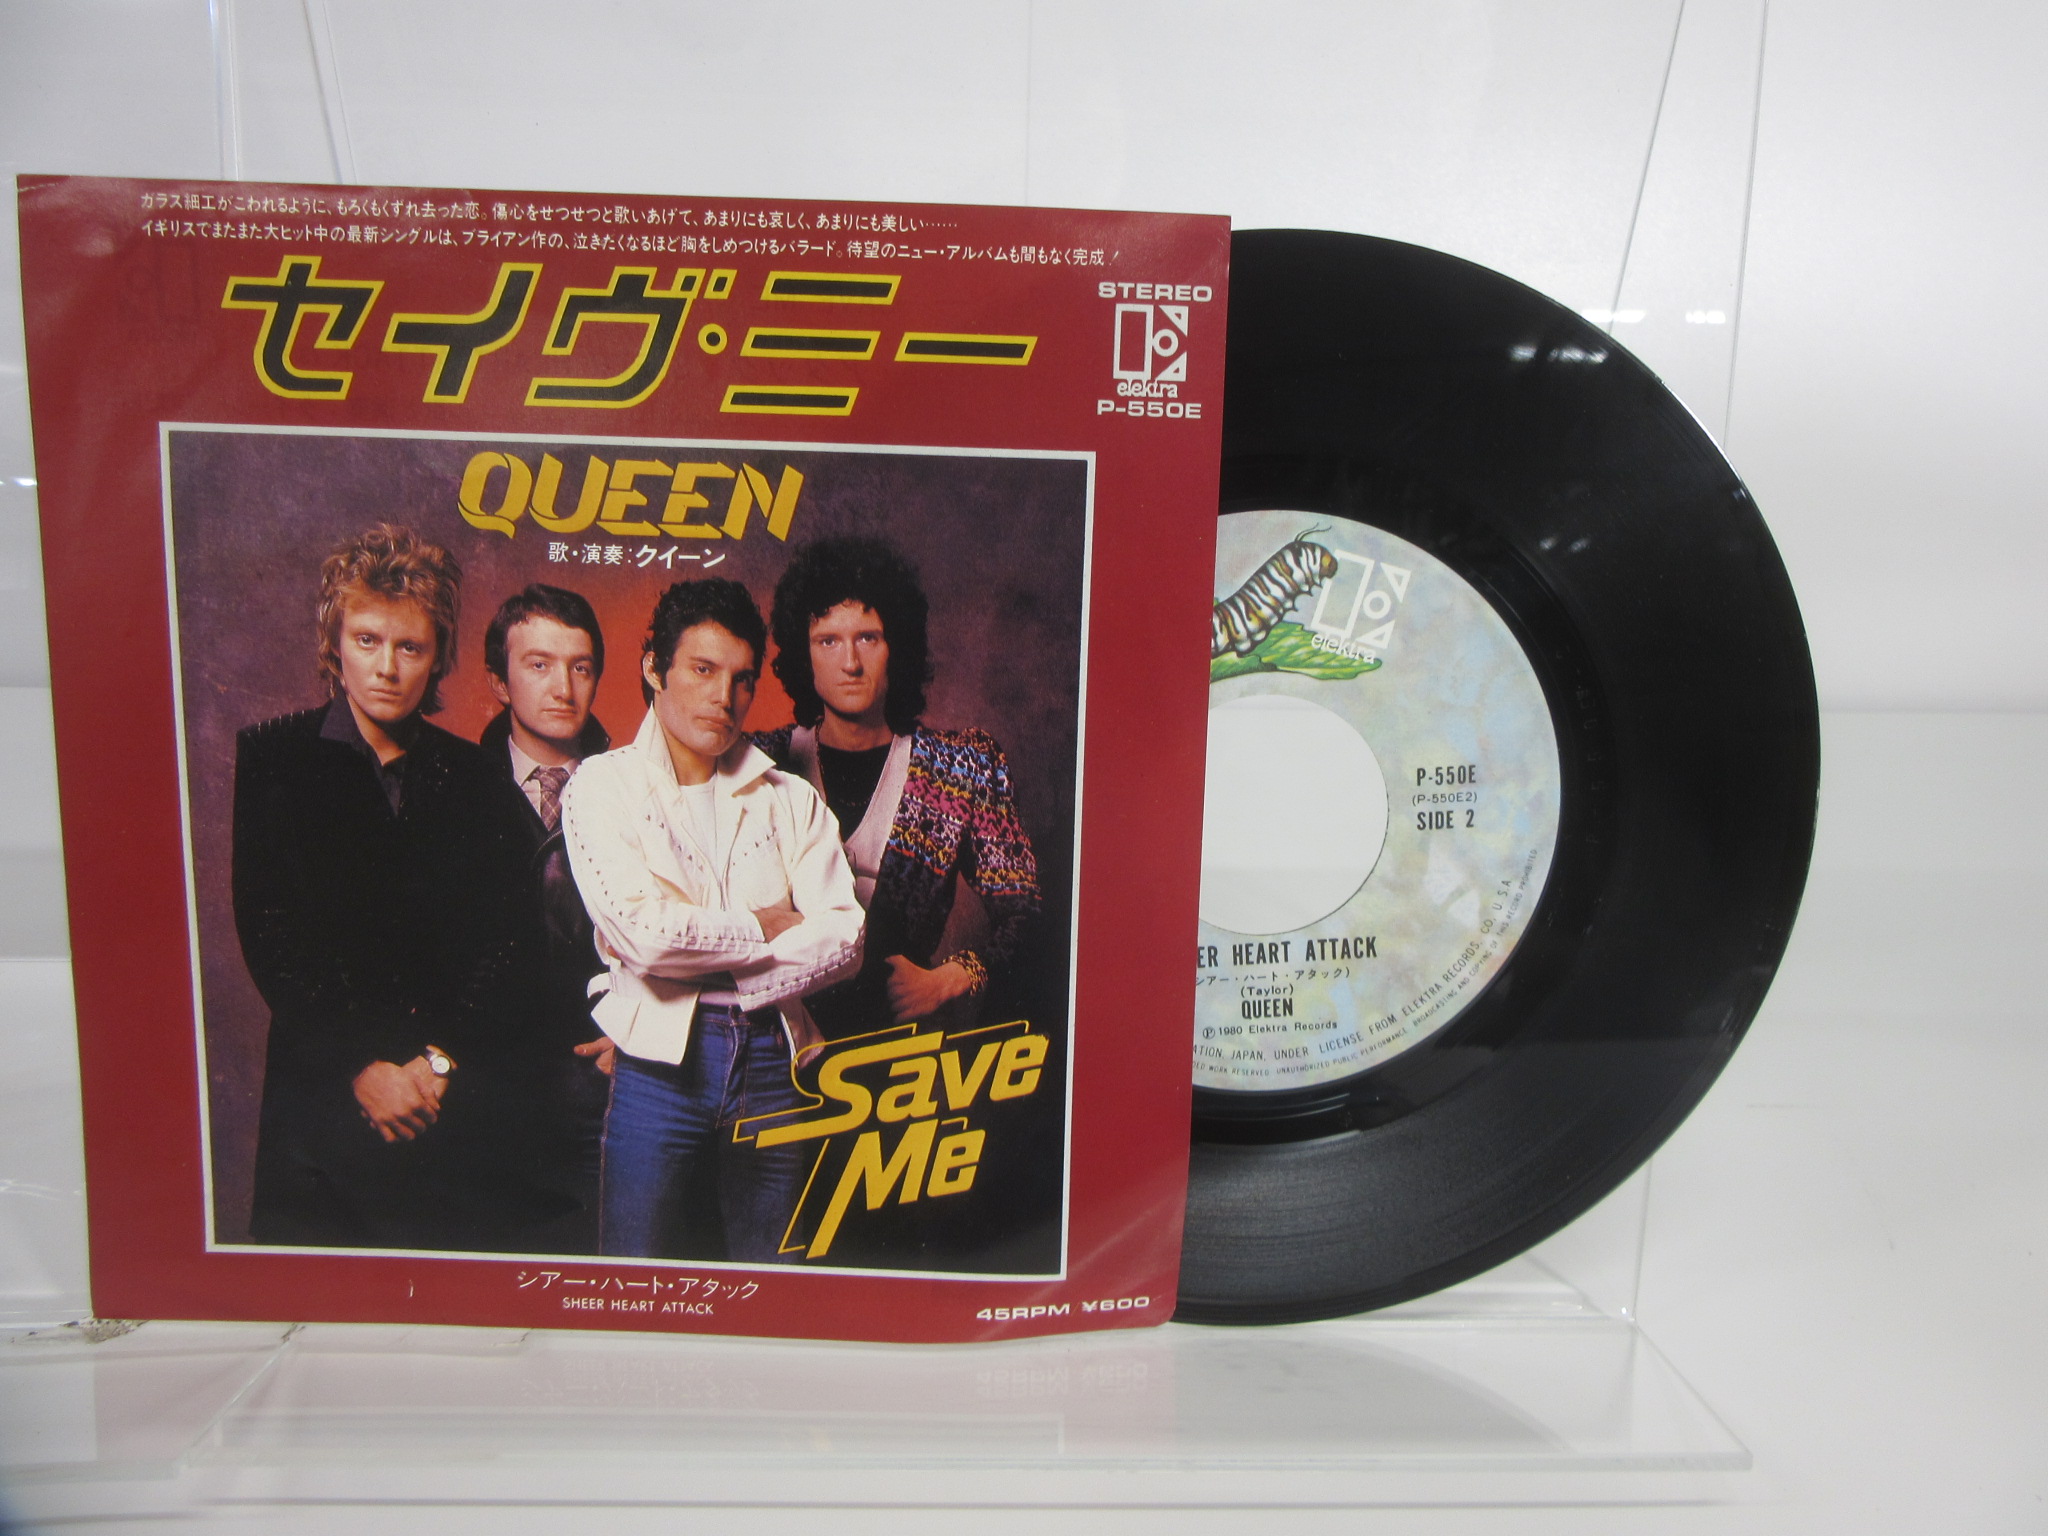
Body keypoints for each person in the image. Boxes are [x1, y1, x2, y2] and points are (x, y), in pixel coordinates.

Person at [233, 523, 545, 1250]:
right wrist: (359, 1067)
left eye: (410, 648)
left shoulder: (476, 776)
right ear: (335, 643)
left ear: (438, 657)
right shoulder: (275, 757)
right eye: (367, 640)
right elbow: (271, 934)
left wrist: (438, 1062)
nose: (386, 668)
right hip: (321, 1102)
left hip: (445, 1103)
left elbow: (510, 938)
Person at [559, 578, 862, 1261]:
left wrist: (706, 964)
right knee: (634, 1274)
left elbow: (846, 938)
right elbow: (644, 935)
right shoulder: (601, 786)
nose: (724, 697)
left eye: (741, 679)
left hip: (775, 1056)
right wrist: (763, 925)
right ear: (653, 668)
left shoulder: (790, 798)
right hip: (657, 1067)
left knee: (776, 1276)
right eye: (702, 670)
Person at [756, 536, 1041, 1037]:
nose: (850, 663)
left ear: (897, 646)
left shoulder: (959, 768)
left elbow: (1027, 914)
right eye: (828, 641)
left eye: (868, 638)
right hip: (770, 1046)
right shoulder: (761, 761)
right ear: (804, 652)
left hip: (893, 1050)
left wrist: (951, 978)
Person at [477, 583, 612, 1251]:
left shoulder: (637, 787)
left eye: (580, 667)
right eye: (538, 664)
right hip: (485, 1085)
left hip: (604, 1080)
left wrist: (643, 1031)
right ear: (499, 681)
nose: (563, 687)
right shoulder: (455, 787)